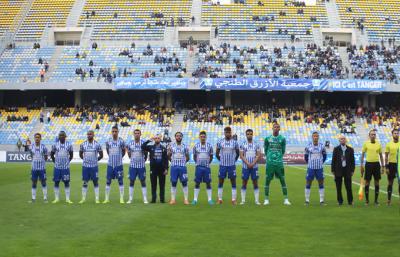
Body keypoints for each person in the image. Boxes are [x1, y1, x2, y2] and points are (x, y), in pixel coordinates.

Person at [264, 123, 291, 205]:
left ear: (279, 129)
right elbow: (265, 150)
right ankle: (266, 199)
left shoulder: (282, 139)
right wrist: (269, 157)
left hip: (279, 163)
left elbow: (283, 150)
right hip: (270, 163)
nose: (276, 128)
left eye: (277, 127)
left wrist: (278, 157)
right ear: (272, 128)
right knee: (267, 180)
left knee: (282, 180)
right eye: (275, 127)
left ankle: (286, 199)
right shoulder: (267, 138)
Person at [142, 134, 169, 203]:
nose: (157, 139)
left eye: (158, 138)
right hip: (153, 169)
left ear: (160, 139)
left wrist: (166, 169)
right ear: (154, 139)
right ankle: (153, 199)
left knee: (162, 185)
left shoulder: (163, 148)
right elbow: (143, 146)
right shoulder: (151, 147)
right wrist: (150, 139)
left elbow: (166, 159)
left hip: (162, 169)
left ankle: (162, 199)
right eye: (156, 138)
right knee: (153, 185)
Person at [216, 126, 239, 204]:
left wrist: (233, 160)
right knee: (220, 182)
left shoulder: (235, 142)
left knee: (233, 182)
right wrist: (221, 160)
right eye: (226, 132)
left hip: (231, 166)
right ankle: (219, 199)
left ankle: (233, 200)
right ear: (224, 133)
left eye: (229, 132)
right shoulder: (220, 142)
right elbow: (216, 153)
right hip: (222, 165)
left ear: (231, 133)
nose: (228, 134)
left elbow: (238, 153)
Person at [79, 130, 103, 204]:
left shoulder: (97, 144)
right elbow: (80, 154)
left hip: (94, 167)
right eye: (88, 134)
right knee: (85, 182)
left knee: (95, 182)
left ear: (93, 135)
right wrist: (85, 160)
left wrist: (96, 160)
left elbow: (101, 155)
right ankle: (83, 199)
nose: (89, 135)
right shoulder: (83, 144)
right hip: (85, 167)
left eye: (90, 134)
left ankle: (97, 199)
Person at [361, 130, 384, 205]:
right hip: (368, 164)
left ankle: (376, 201)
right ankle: (367, 201)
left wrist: (383, 166)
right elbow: (363, 154)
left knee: (377, 182)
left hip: (377, 164)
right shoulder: (366, 143)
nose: (373, 135)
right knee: (367, 182)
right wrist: (361, 165)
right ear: (369, 135)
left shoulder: (378, 144)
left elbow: (381, 155)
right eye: (372, 134)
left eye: (374, 134)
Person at [331, 135, 355, 206]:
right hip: (338, 170)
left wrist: (352, 170)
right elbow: (333, 160)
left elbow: (352, 161)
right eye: (341, 139)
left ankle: (350, 201)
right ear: (339, 140)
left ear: (346, 140)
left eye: (344, 139)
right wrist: (333, 170)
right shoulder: (336, 149)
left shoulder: (350, 149)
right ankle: (340, 201)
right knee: (338, 187)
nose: (343, 140)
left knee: (349, 187)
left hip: (347, 170)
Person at [104, 126, 126, 204]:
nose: (114, 133)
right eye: (113, 131)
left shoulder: (121, 141)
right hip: (110, 165)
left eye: (115, 131)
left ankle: (121, 198)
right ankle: (106, 198)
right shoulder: (108, 141)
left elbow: (124, 151)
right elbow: (107, 151)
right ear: (111, 132)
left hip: (119, 165)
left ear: (118, 132)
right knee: (108, 181)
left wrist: (119, 158)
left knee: (120, 181)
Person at [304, 131, 327, 205]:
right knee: (308, 183)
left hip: (319, 168)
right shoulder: (308, 146)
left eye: (317, 136)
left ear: (318, 137)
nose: (315, 137)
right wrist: (310, 163)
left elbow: (325, 156)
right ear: (312, 137)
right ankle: (307, 200)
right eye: (314, 136)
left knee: (321, 182)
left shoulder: (322, 146)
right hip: (310, 167)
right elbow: (306, 157)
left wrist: (320, 162)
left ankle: (321, 201)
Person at [50, 131, 73, 204]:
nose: (61, 137)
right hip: (57, 167)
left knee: (66, 182)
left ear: (65, 136)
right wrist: (55, 162)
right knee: (56, 182)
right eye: (60, 135)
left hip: (65, 168)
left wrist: (67, 162)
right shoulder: (55, 144)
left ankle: (67, 199)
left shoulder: (69, 144)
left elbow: (71, 155)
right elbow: (52, 154)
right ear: (58, 136)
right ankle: (56, 198)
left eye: (63, 135)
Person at [239, 129, 261, 205]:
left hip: (254, 167)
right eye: (248, 134)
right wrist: (248, 163)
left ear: (252, 134)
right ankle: (243, 200)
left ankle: (257, 200)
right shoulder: (243, 144)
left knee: (255, 183)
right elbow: (241, 155)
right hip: (245, 167)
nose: (249, 135)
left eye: (250, 134)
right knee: (244, 182)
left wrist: (253, 163)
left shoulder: (256, 144)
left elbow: (258, 155)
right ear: (246, 135)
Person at [126, 129, 148, 204]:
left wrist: (143, 161)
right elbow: (128, 152)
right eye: (135, 133)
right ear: (133, 134)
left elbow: (146, 153)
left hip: (141, 166)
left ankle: (145, 198)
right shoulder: (130, 143)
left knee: (143, 181)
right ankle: (130, 198)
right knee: (131, 181)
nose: (137, 134)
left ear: (140, 134)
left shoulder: (143, 143)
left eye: (138, 133)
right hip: (132, 166)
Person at [167, 132, 190, 205]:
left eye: (180, 136)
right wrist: (173, 162)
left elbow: (187, 157)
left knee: (184, 182)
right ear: (175, 137)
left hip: (182, 167)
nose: (178, 137)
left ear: (182, 137)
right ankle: (173, 199)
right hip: (174, 167)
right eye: (177, 136)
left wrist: (183, 163)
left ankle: (186, 200)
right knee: (173, 182)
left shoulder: (185, 146)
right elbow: (169, 156)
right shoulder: (171, 146)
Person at [192, 131, 214, 205]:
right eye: (201, 137)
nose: (202, 138)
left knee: (208, 183)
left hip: (207, 168)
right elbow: (194, 156)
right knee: (197, 183)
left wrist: (208, 163)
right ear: (199, 137)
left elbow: (211, 156)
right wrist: (197, 163)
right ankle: (195, 200)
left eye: (204, 137)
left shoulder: (209, 146)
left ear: (206, 137)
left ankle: (210, 200)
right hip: (198, 167)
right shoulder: (196, 146)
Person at [28, 133, 48, 203]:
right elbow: (31, 155)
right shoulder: (31, 147)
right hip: (34, 168)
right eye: (36, 137)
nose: (37, 139)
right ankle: (33, 198)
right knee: (34, 182)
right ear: (34, 138)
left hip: (42, 168)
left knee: (43, 182)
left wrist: (41, 162)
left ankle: (45, 198)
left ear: (40, 138)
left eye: (38, 137)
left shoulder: (44, 147)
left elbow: (46, 157)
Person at [384, 129, 399, 205]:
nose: (396, 134)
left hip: (399, 165)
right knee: (390, 182)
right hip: (391, 165)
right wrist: (386, 167)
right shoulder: (388, 144)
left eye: (397, 133)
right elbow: (386, 156)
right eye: (395, 133)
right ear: (392, 135)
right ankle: (389, 200)